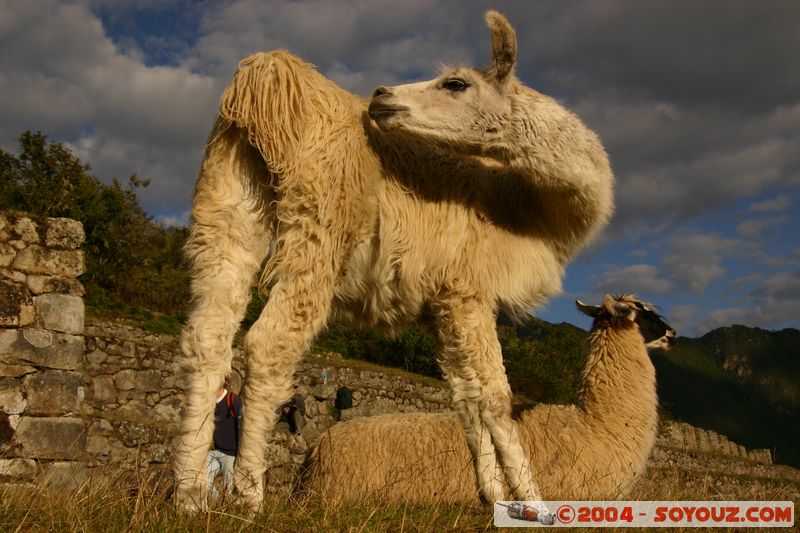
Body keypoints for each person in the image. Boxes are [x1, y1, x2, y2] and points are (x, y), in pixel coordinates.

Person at [207, 381, 242, 502]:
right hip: (212, 452)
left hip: (230, 454)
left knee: (229, 489)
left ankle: (228, 513)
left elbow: (242, 426)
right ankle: (216, 504)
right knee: (204, 481)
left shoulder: (233, 400)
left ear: (224, 381)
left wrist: (239, 452)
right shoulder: (207, 401)